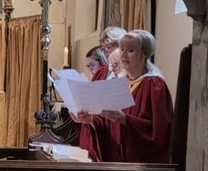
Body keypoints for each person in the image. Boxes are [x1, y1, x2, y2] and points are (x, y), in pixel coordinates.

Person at [74, 29, 174, 163]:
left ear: (144, 54)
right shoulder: (119, 83)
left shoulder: (155, 85)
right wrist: (91, 120)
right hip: (116, 161)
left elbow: (160, 131)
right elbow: (107, 124)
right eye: (122, 49)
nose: (124, 55)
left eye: (131, 50)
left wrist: (125, 119)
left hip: (139, 164)